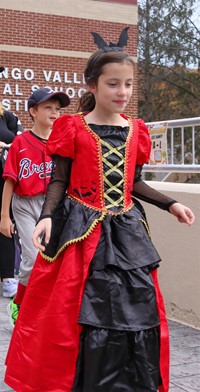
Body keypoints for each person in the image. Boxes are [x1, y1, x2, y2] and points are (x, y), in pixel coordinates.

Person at [4, 29, 195, 392]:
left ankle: (126, 380)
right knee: (70, 312)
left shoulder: (136, 131)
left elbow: (133, 183)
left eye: (127, 84)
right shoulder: (71, 127)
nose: (122, 92)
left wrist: (171, 204)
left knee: (135, 307)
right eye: (113, 84)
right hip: (79, 229)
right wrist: (46, 216)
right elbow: (59, 180)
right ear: (92, 85)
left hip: (126, 233)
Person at [0, 87, 70, 324]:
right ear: (33, 111)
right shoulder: (20, 141)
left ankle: (39, 306)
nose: (54, 112)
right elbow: (10, 180)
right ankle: (19, 304)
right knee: (32, 257)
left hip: (51, 205)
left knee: (50, 258)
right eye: (48, 107)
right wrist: (4, 217)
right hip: (24, 203)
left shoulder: (61, 142)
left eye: (57, 109)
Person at [0, 65, 23, 298]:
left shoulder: (7, 116)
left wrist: (5, 146)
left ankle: (7, 277)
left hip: (4, 179)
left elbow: (19, 143)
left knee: (5, 225)